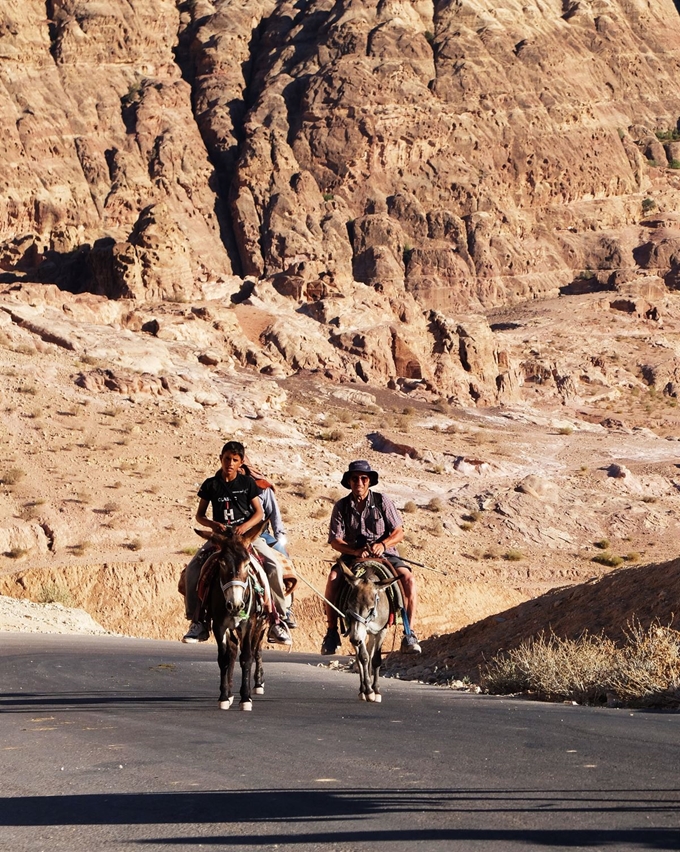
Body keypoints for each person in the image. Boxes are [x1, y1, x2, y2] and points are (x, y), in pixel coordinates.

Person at [181, 441, 291, 645]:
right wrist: (213, 524)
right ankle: (197, 621)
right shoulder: (210, 485)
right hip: (221, 539)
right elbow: (199, 516)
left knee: (273, 565)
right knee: (194, 568)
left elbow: (259, 513)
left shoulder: (248, 484)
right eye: (226, 459)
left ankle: (278, 619)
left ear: (240, 462)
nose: (230, 463)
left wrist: (244, 526)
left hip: (246, 537)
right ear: (220, 458)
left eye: (235, 460)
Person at [322, 459, 421, 656]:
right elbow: (335, 541)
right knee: (333, 579)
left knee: (408, 580)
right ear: (349, 482)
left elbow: (399, 532)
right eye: (355, 478)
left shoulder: (382, 501)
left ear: (369, 481)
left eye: (363, 478)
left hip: (385, 555)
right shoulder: (341, 506)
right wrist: (355, 551)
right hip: (353, 557)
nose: (359, 482)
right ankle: (331, 632)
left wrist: (383, 545)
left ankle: (409, 633)